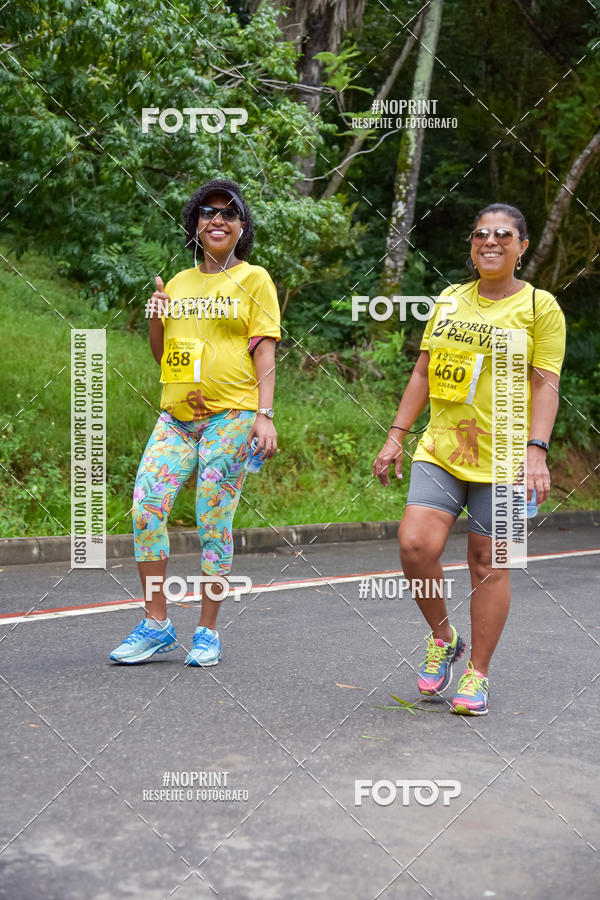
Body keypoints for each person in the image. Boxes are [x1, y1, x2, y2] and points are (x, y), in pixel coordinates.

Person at [372, 203, 566, 715]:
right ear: (472, 244)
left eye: (504, 235)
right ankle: (444, 637)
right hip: (442, 449)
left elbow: (546, 385)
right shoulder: (450, 300)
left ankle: (477, 674)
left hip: (506, 459)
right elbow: (423, 372)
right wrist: (396, 435)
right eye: (481, 233)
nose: (491, 241)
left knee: (491, 564)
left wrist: (537, 453)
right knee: (416, 545)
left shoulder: (541, 308)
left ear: (522, 247)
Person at [110, 179, 280, 666]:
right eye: (207, 212)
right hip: (177, 417)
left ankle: (207, 630)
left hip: (232, 416)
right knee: (146, 507)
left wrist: (264, 416)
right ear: (195, 225)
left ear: (241, 226)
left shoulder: (254, 279)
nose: (217, 220)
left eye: (228, 213)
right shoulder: (179, 283)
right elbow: (163, 358)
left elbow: (265, 350)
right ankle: (157, 623)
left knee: (213, 519)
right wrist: (156, 317)